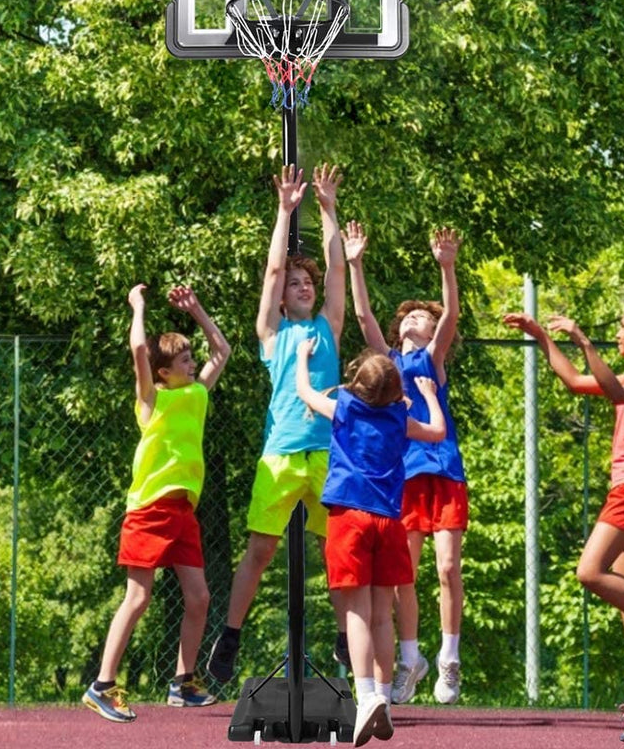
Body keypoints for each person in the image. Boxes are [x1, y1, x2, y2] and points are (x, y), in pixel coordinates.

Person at [502, 302, 624, 743]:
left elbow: (616, 394)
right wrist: (542, 336)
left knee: (589, 572)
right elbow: (574, 381)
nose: (618, 333)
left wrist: (584, 340)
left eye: (623, 326)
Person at [207, 163, 349, 683]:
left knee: (336, 547)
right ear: (283, 297)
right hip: (282, 451)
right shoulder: (273, 334)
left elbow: (337, 272)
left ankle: (342, 640)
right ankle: (231, 635)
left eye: (306, 281)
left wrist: (329, 210)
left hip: (329, 452)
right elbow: (269, 273)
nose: (304, 287)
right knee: (261, 549)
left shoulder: (329, 328)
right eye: (295, 283)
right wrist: (284, 211)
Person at [83, 284, 231, 723]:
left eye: (190, 357)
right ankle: (103, 684)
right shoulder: (152, 401)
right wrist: (139, 307)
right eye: (184, 359)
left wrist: (198, 308)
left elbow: (221, 350)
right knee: (139, 597)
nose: (192, 361)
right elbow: (137, 350)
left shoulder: (198, 394)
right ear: (164, 372)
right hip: (149, 509)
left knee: (199, 596)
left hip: (183, 510)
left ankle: (183, 683)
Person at [295, 342, 446, 746]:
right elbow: (437, 432)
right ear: (396, 391)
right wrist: (429, 396)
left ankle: (364, 698)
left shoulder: (344, 406)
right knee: (383, 615)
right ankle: (383, 696)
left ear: (357, 383)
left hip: (350, 519)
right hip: (390, 523)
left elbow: (306, 394)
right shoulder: (400, 417)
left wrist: (302, 360)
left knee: (356, 615)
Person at [343, 221, 466, 705]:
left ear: (434, 331)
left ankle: (449, 659)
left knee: (448, 566)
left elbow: (451, 309)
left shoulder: (432, 359)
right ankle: (410, 659)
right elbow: (361, 311)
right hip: (404, 474)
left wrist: (447, 267)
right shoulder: (389, 362)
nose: (415, 317)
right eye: (410, 314)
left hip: (444, 468)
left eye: (422, 315)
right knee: (402, 576)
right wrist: (355, 263)